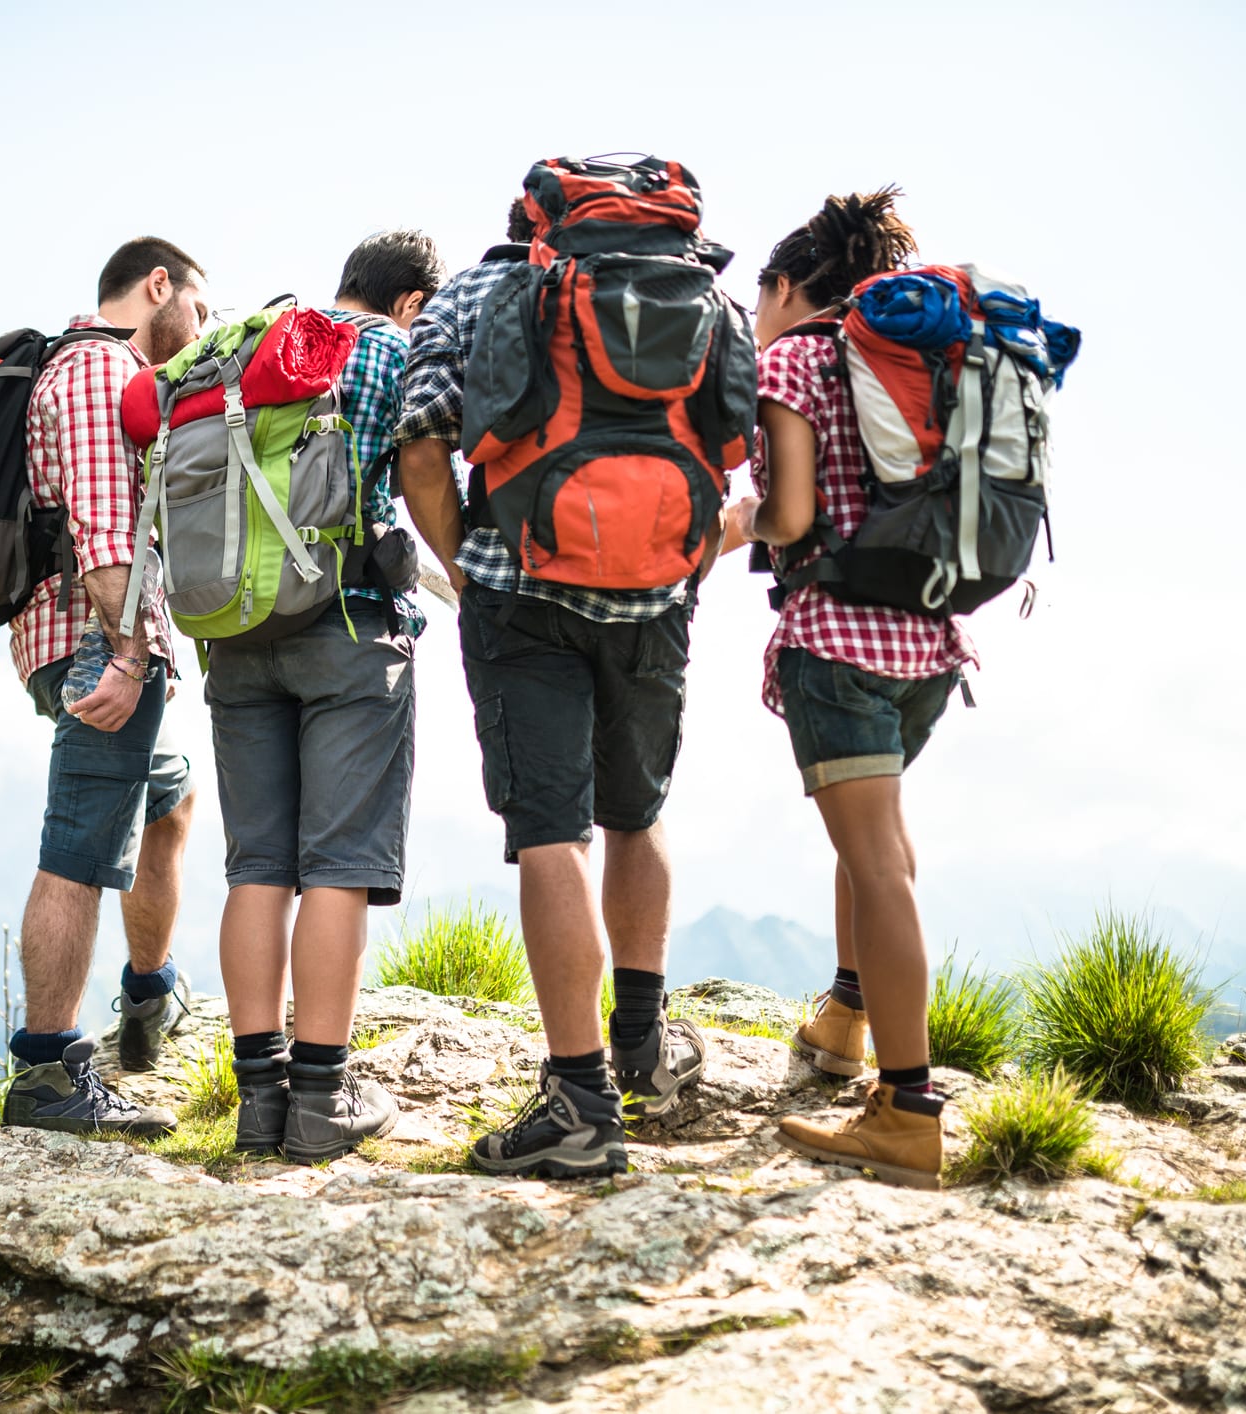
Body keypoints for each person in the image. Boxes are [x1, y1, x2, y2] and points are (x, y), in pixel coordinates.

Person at [395, 198, 710, 1179]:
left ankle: (578, 1100)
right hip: (653, 597)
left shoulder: (480, 292)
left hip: (519, 596)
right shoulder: (693, 290)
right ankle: (645, 1050)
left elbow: (418, 448)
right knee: (634, 810)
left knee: (549, 830)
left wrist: (472, 572)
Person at [722, 189, 977, 1190]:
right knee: (871, 843)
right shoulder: (917, 364)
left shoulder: (792, 360)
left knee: (875, 864)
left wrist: (730, 524)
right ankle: (840, 1018)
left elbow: (789, 515)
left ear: (787, 288)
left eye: (760, 298)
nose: (757, 319)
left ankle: (905, 1109)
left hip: (838, 640)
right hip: (928, 644)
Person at [216, 230, 445, 1164]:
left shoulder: (255, 341)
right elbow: (427, 472)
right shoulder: (394, 349)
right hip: (348, 628)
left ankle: (256, 1099)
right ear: (410, 302)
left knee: (257, 868)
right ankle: (321, 1097)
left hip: (235, 634)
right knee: (340, 866)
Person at [0, 237, 212, 1137]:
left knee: (171, 799)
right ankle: (49, 1075)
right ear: (157, 286)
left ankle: (147, 992)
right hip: (98, 638)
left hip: (97, 635)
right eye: (200, 309)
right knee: (79, 849)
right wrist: (129, 656)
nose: (202, 329)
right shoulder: (95, 368)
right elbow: (104, 531)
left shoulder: (94, 370)